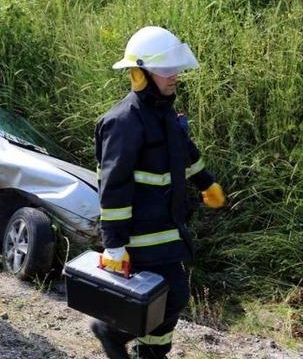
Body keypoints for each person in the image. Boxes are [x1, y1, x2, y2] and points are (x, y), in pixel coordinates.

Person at [91, 26, 226, 358]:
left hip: (167, 227)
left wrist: (205, 182)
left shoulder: (164, 113)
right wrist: (114, 245)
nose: (174, 75)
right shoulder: (123, 122)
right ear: (140, 74)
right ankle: (111, 331)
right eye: (165, 69)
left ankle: (150, 354)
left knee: (170, 299)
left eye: (174, 67)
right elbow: (113, 187)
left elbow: (184, 153)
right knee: (170, 295)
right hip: (139, 236)